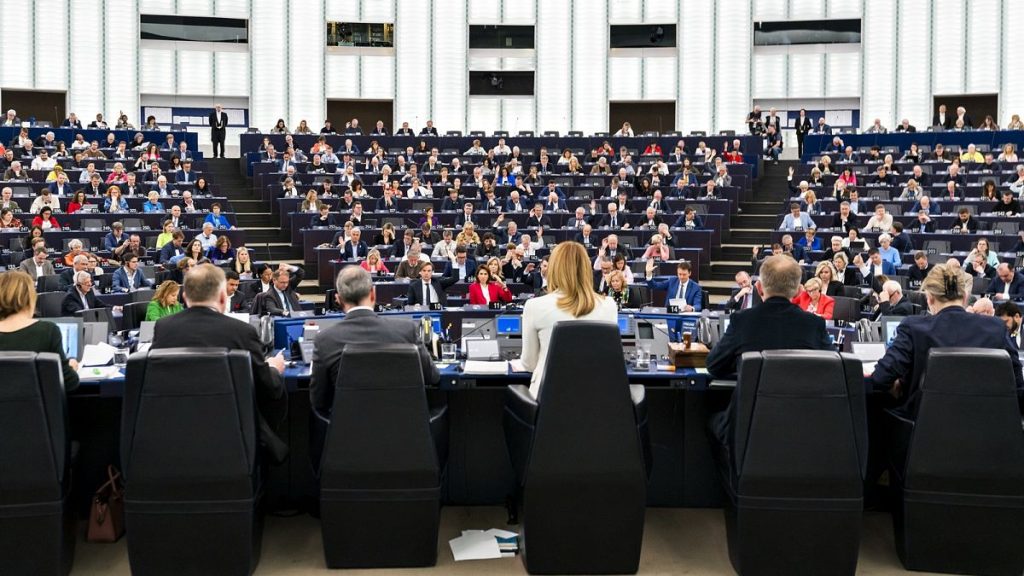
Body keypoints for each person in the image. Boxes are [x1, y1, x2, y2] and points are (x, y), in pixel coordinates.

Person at [151, 264, 288, 462]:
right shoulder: (242, 331)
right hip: (235, 439)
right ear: (223, 298)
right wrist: (274, 368)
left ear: (184, 297)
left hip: (176, 436)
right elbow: (267, 385)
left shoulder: (163, 328)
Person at [309, 266, 439, 469]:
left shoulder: (325, 340)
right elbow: (433, 377)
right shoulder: (406, 330)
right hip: (407, 443)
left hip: (346, 446)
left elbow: (318, 401)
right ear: (373, 294)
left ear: (338, 299)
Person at [870, 264, 1023, 418]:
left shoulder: (913, 328)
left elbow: (880, 378)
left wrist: (901, 385)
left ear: (929, 298)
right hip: (989, 432)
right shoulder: (996, 328)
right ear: (964, 297)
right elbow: (1017, 388)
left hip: (922, 432)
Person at [520, 242, 618, 398]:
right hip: (597, 402)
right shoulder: (609, 305)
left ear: (554, 268)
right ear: (586, 268)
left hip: (547, 403)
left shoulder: (534, 306)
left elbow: (529, 364)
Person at [0, 271, 78, 389]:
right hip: (35, 407)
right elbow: (70, 383)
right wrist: (71, 367)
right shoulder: (47, 331)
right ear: (29, 297)